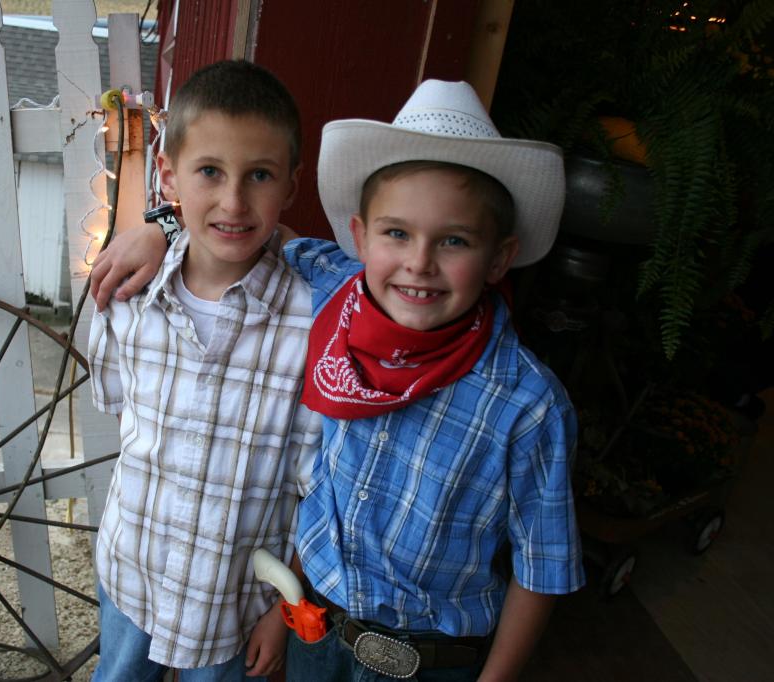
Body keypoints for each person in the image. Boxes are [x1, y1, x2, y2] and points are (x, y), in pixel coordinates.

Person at [91, 79, 584, 682]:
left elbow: (544, 567)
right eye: (397, 233)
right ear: (361, 237)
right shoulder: (332, 293)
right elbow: (245, 239)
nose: (419, 262)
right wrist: (160, 228)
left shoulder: (523, 402)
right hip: (256, 609)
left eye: (454, 240)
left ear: (499, 257)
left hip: (407, 648)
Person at [86, 59, 321, 682]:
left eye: (260, 175)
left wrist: (286, 606)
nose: (234, 201)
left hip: (238, 597)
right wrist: (159, 230)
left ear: (291, 185)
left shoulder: (311, 322)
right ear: (168, 177)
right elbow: (122, 411)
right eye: (209, 172)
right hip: (133, 565)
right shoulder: (127, 299)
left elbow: (315, 482)